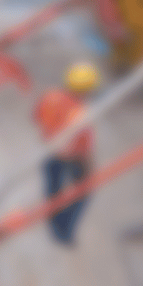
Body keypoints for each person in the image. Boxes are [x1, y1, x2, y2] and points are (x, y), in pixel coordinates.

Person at [34, 61, 101, 247]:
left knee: (53, 190)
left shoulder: (51, 96)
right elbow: (83, 145)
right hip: (71, 158)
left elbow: (37, 116)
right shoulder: (80, 113)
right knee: (82, 194)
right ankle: (64, 232)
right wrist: (88, 164)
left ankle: (53, 223)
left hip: (49, 151)